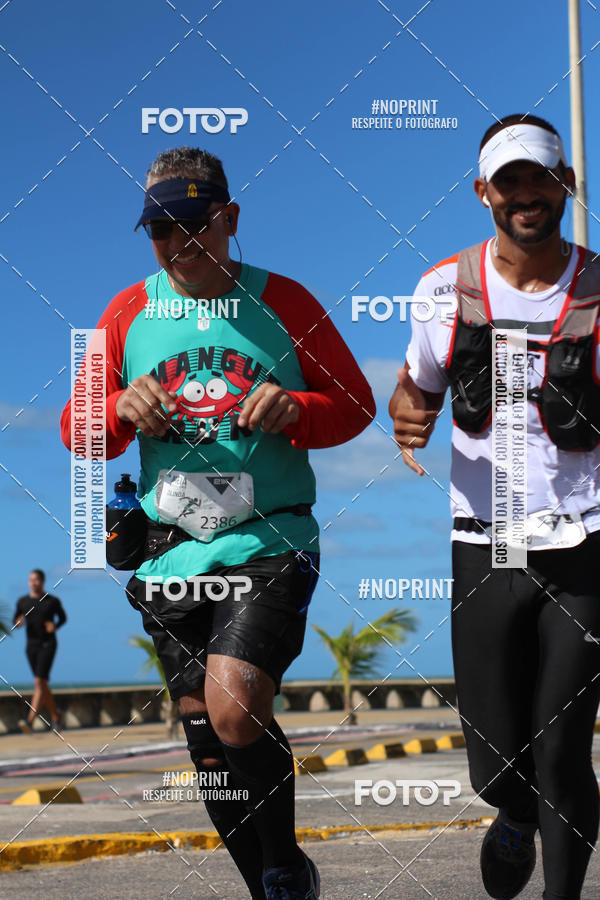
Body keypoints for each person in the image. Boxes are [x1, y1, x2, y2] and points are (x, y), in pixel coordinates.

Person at [60, 146, 375, 900]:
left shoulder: (287, 304)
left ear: (229, 219)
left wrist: (298, 409)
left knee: (235, 706)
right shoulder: (126, 313)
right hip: (171, 556)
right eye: (160, 231)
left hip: (270, 541)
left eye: (195, 225)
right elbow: (78, 429)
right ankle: (270, 882)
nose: (179, 245)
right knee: (207, 746)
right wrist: (116, 412)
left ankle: (284, 869)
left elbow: (356, 405)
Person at [388, 114, 600, 900]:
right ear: (484, 192)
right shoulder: (444, 288)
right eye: (508, 181)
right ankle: (511, 813)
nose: (526, 195)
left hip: (586, 543)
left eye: (540, 177)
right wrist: (406, 412)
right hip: (485, 545)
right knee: (498, 762)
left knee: (562, 749)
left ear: (565, 184)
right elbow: (415, 390)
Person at [13, 568, 66, 733]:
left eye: (36, 580)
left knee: (38, 682)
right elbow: (16, 620)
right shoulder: (22, 602)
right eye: (30, 580)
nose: (33, 583)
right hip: (31, 646)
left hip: (48, 644)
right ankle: (57, 717)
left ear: (42, 581)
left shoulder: (52, 601)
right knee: (42, 683)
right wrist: (18, 622)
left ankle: (29, 722)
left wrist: (54, 626)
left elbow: (63, 618)